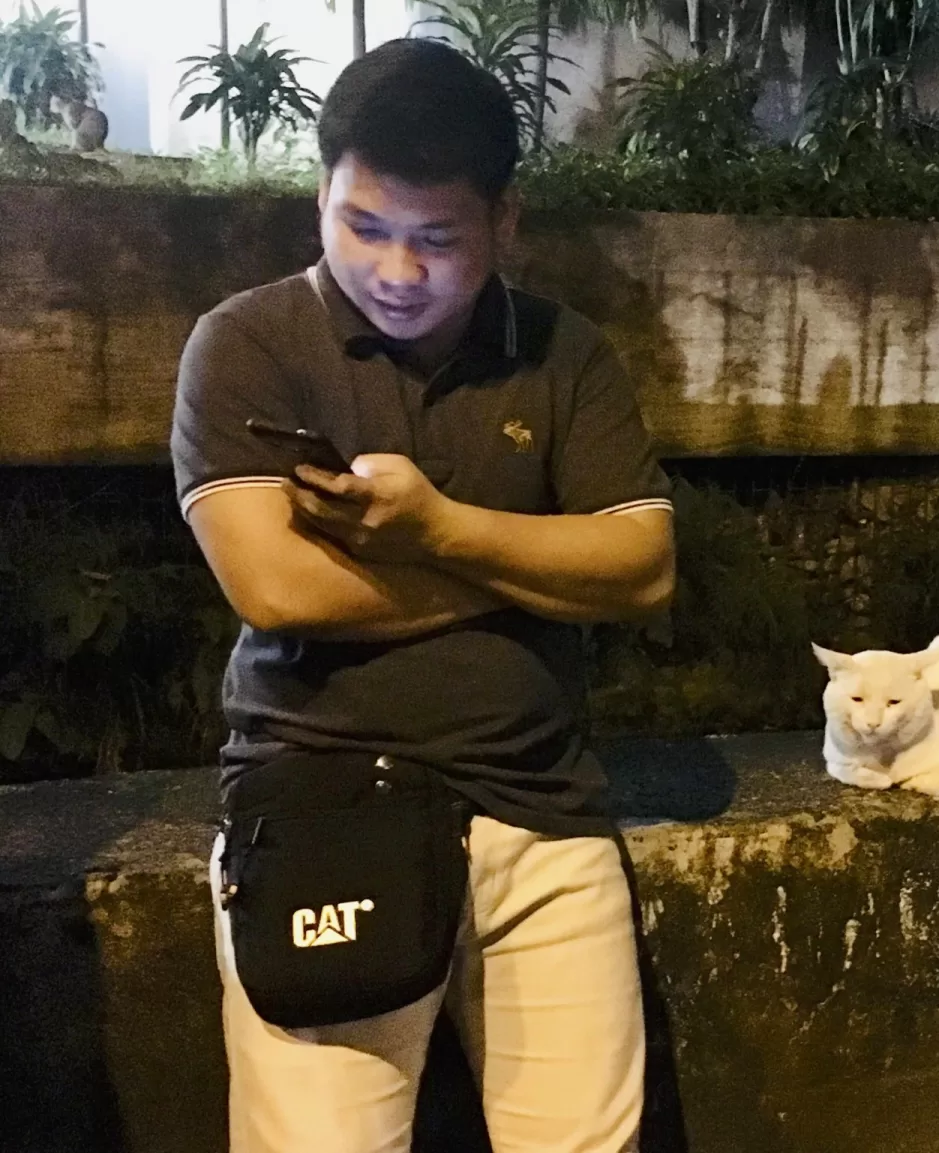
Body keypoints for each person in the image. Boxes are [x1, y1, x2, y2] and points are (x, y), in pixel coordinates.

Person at [170, 37, 675, 1153]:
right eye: (365, 227)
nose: (398, 272)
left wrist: (438, 527)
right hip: (319, 806)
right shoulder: (246, 344)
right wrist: (532, 574)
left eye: (438, 240)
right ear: (322, 195)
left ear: (505, 221)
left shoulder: (564, 353)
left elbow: (641, 565)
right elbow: (278, 586)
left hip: (544, 809)